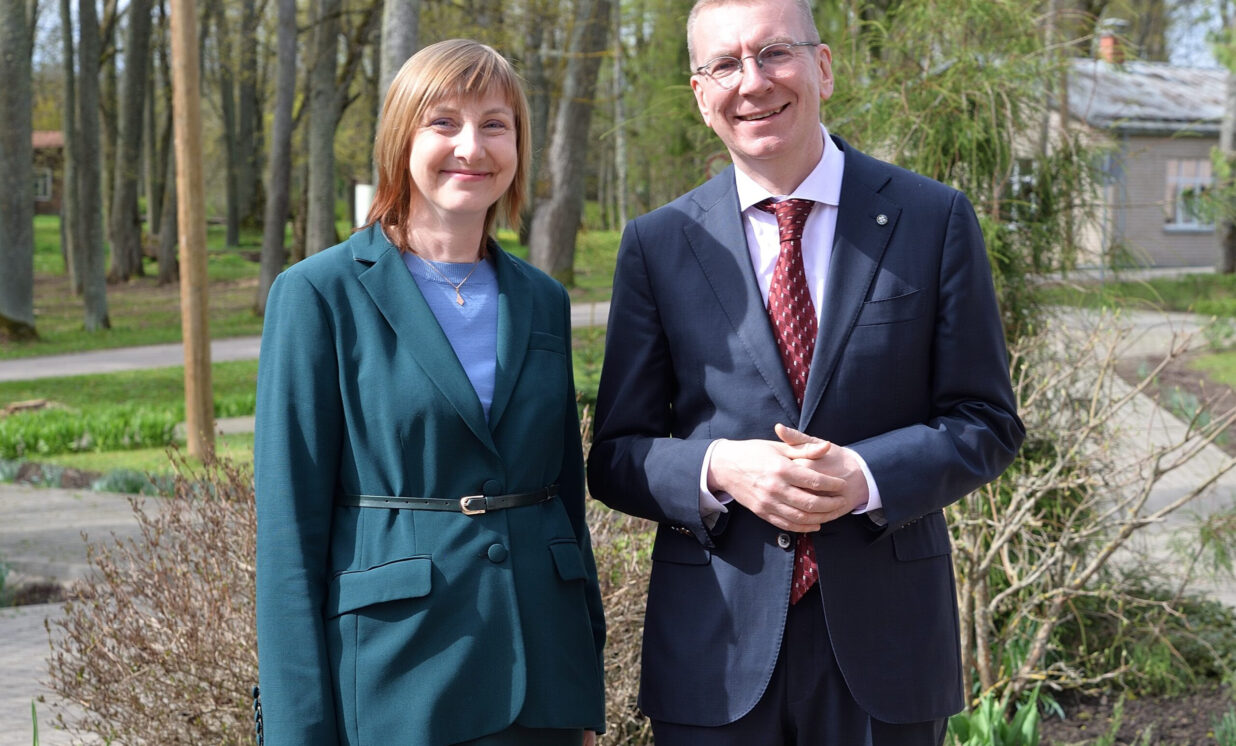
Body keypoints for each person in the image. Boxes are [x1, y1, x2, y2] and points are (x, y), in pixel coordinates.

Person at [586, 0, 1025, 743]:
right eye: (724, 64)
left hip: (888, 647)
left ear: (822, 67)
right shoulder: (659, 244)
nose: (752, 82)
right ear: (701, 95)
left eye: (774, 53)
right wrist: (721, 468)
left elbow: (986, 421)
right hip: (714, 650)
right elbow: (617, 456)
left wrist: (866, 476)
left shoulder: (932, 219)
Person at [254, 39, 605, 746]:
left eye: (495, 124)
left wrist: (584, 682)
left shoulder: (542, 299)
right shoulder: (318, 295)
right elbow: (289, 532)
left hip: (544, 677)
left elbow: (564, 498)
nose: (471, 147)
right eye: (443, 122)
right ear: (401, 139)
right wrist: (297, 730)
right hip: (397, 679)